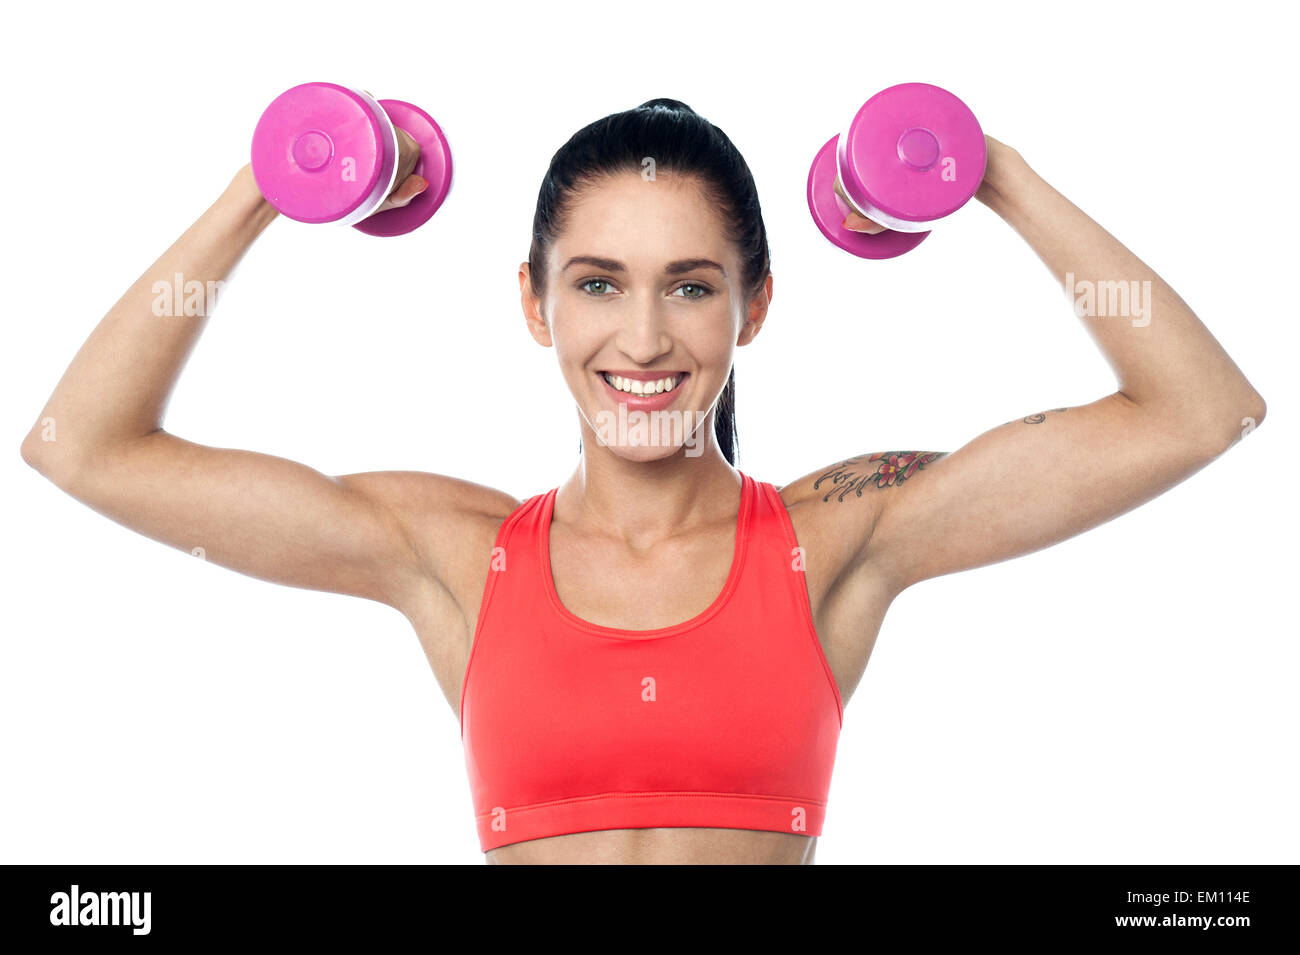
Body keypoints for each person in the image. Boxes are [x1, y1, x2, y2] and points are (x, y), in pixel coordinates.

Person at [19, 97, 1265, 865]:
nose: (645, 340)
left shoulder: (839, 538)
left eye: (692, 284)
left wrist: (985, 168)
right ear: (534, 302)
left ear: (753, 305)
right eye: (598, 283)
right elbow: (83, 447)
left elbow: (1199, 413)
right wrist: (282, 177)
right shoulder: (450, 552)